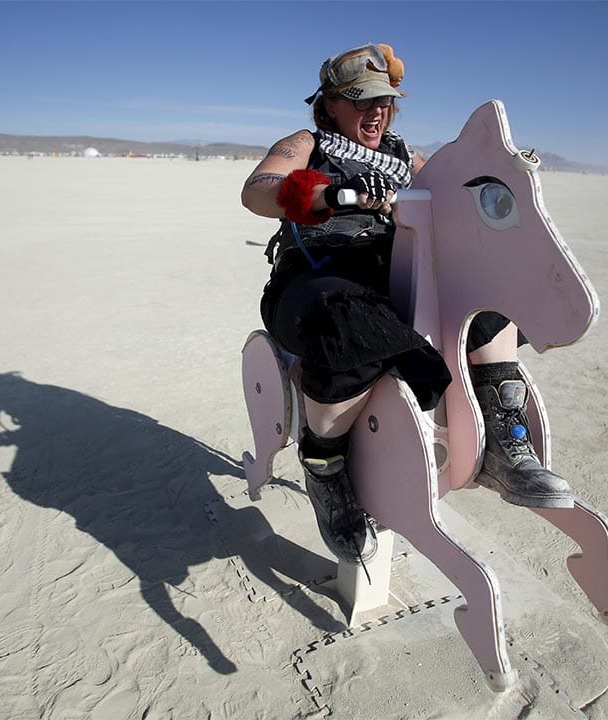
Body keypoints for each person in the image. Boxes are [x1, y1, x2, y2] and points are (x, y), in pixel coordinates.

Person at [240, 43, 573, 566]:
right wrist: (329, 195)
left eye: (386, 102)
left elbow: (456, 194)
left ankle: (503, 438)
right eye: (362, 100)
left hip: (391, 276)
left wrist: (503, 178)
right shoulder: (307, 142)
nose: (377, 111)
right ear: (330, 104)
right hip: (315, 280)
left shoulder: (405, 156)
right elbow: (259, 189)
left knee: (482, 301)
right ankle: (324, 465)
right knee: (347, 327)